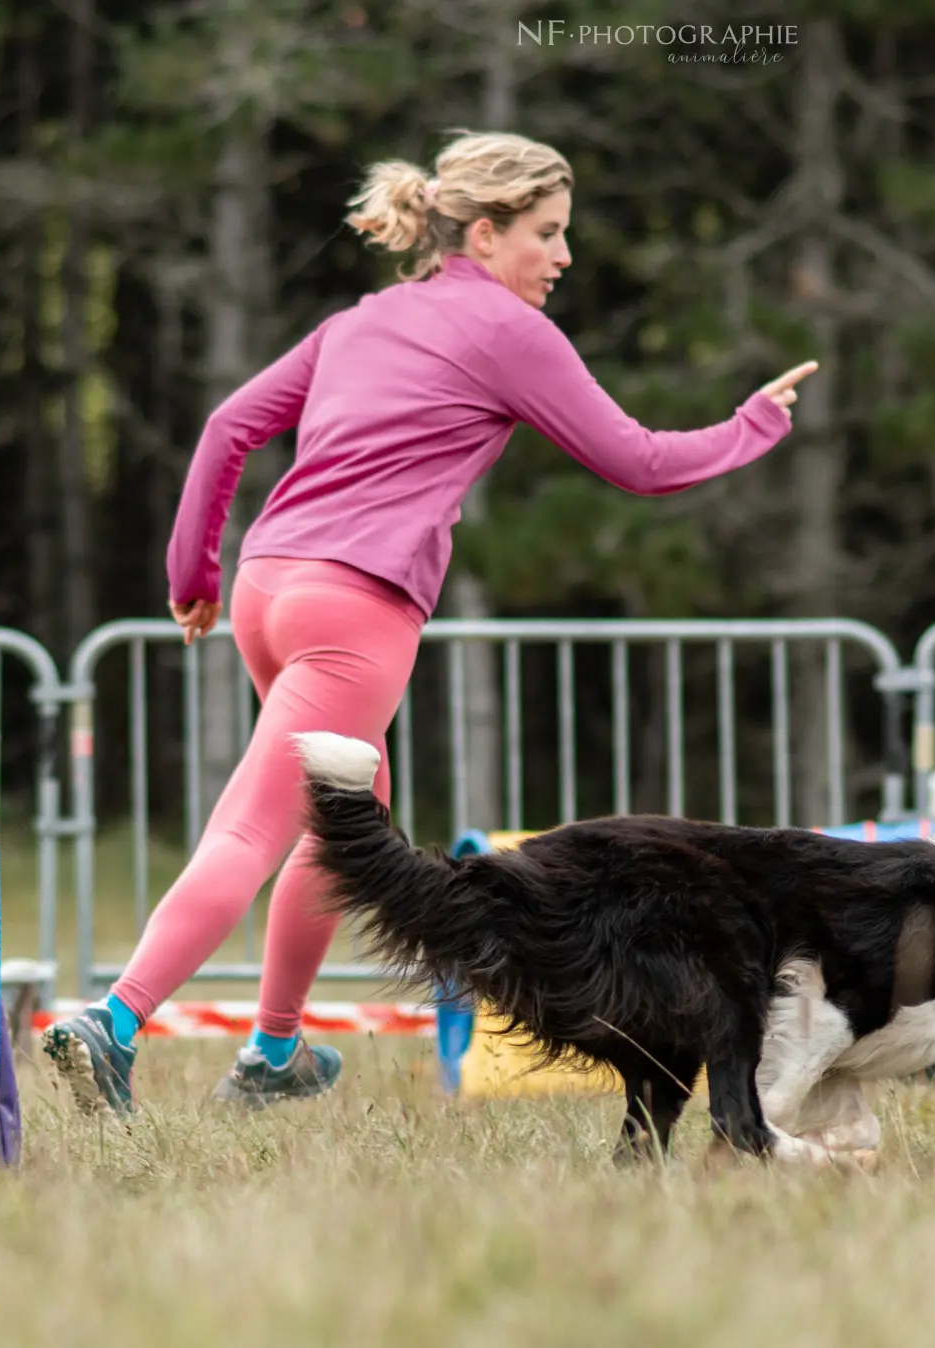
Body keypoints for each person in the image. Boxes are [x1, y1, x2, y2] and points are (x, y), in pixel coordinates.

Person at [40, 129, 819, 1117]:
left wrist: (190, 571)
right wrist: (751, 422)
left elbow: (228, 425)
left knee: (345, 817)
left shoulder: (364, 319)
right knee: (254, 825)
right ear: (485, 235)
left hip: (267, 587)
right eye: (548, 233)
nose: (564, 257)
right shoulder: (507, 330)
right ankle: (111, 1025)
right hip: (354, 604)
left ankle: (274, 1050)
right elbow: (639, 462)